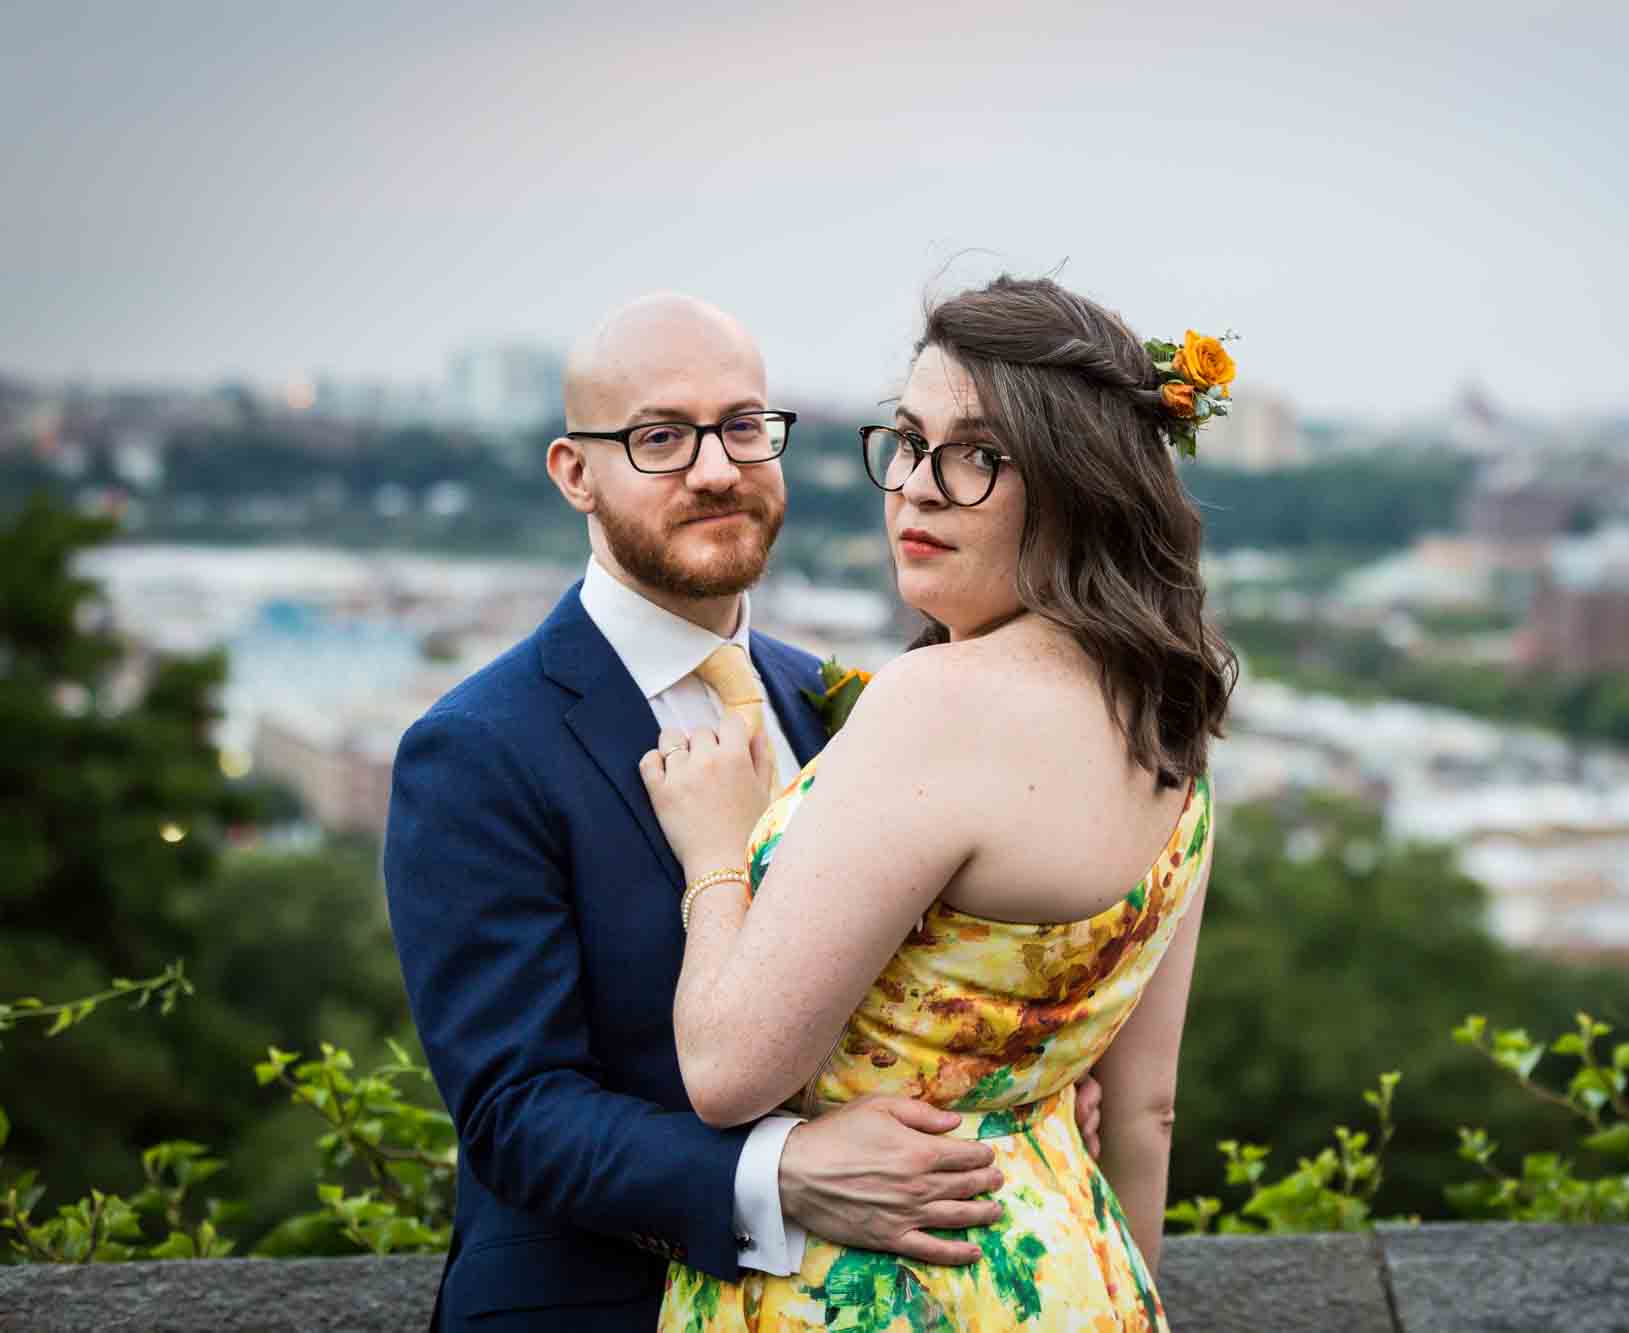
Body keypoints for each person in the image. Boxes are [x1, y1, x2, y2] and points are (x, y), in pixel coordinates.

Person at [384, 294, 1099, 1332]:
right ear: (572, 472)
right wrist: (781, 1174)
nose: (715, 468)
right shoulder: (476, 749)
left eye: (741, 426)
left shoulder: (845, 699)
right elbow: (514, 1114)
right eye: (659, 438)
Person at [642, 276, 1238, 1329]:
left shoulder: (937, 702)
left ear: (1076, 484)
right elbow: (1146, 1112)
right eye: (909, 441)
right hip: (1077, 1279)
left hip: (880, 1291)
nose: (917, 486)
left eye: (976, 455)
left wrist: (713, 856)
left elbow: (728, 1073)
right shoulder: (1171, 735)